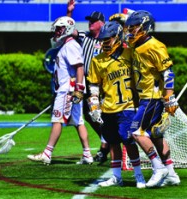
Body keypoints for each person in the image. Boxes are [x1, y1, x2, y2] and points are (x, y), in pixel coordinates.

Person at [124, 10, 181, 187]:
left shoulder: (154, 45)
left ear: (144, 28)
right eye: (129, 28)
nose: (130, 31)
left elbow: (168, 72)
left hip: (152, 98)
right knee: (156, 136)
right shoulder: (136, 46)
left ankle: (158, 168)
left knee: (136, 132)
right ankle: (171, 173)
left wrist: (169, 97)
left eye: (134, 28)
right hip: (145, 97)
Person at [27, 16, 93, 165]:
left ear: (67, 29)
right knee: (78, 121)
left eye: (59, 29)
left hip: (67, 90)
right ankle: (87, 154)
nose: (57, 32)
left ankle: (47, 153)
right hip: (69, 89)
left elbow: (79, 67)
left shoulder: (70, 46)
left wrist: (78, 89)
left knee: (57, 120)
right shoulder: (66, 45)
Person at [87, 21, 146, 188]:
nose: (105, 42)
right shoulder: (97, 60)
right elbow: (93, 85)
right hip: (108, 107)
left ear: (118, 38)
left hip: (127, 106)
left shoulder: (130, 54)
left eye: (109, 39)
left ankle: (138, 175)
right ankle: (116, 177)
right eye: (103, 39)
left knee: (129, 141)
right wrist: (94, 105)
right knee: (113, 142)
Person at [66, 0, 109, 164]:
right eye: (89, 20)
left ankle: (106, 146)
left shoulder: (107, 39)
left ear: (101, 23)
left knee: (98, 115)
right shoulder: (85, 36)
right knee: (88, 115)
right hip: (84, 83)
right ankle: (107, 143)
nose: (89, 22)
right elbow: (69, 31)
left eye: (93, 20)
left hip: (100, 84)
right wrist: (69, 12)